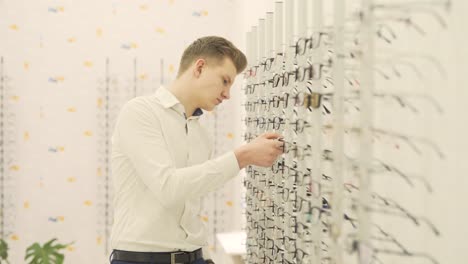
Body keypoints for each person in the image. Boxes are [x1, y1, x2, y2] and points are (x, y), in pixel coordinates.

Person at [109, 36, 284, 264]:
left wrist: (205, 256)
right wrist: (242, 157)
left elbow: (190, 208)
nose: (227, 94)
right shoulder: (140, 112)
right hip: (141, 259)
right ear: (200, 67)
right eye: (224, 80)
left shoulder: (202, 136)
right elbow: (168, 187)